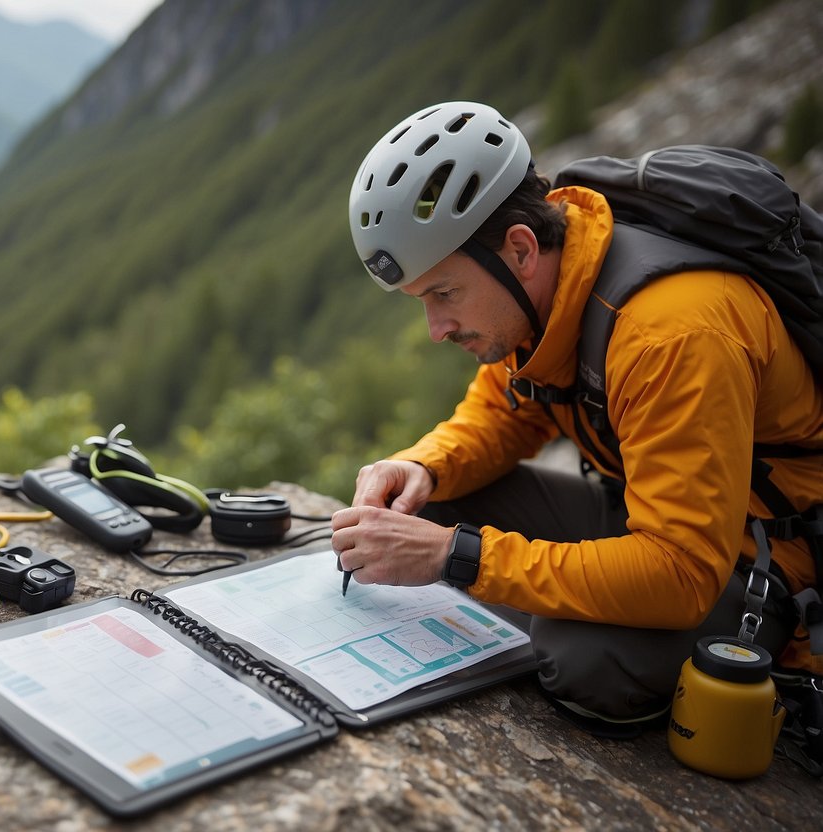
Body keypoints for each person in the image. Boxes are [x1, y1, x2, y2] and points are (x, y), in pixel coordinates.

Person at [333, 100, 823, 735]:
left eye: (444, 294)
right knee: (417, 512)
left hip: (756, 558)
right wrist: (420, 466)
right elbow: (503, 413)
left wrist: (462, 559)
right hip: (645, 514)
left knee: (588, 659)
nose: (436, 329)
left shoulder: (669, 334)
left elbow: (681, 573)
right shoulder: (547, 297)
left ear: (519, 248)